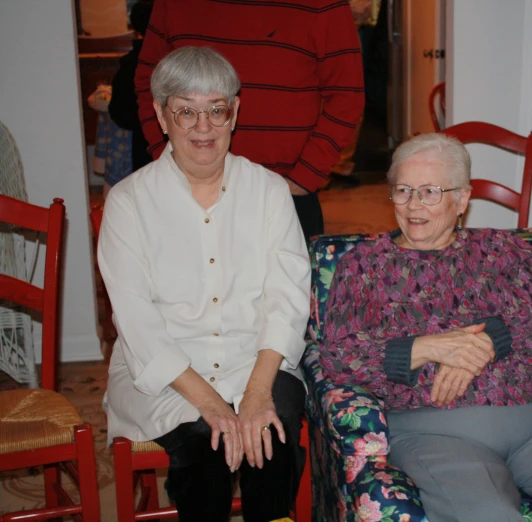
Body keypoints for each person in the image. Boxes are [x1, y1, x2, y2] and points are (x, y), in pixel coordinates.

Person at [319, 133, 532, 522]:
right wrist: (431, 346)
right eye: (403, 190)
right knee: (490, 515)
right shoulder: (363, 266)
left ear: (462, 199)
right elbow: (338, 356)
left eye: (430, 191)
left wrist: (480, 346)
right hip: (437, 434)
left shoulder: (503, 250)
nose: (414, 205)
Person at [99, 47, 311, 522]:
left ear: (234, 112)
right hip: (166, 370)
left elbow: (288, 297)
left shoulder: (269, 192)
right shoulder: (129, 202)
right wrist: (213, 405)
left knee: (272, 434)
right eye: (186, 111)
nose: (203, 127)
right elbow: (136, 320)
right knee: (205, 445)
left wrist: (256, 394)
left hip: (256, 358)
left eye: (216, 110)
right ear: (159, 114)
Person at [134, 0, 365, 240]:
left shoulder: (323, 4)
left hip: (286, 194)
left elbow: (347, 95)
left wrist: (303, 179)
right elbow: (149, 84)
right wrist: (166, 157)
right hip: (189, 191)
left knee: (287, 277)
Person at [107, 0, 154, 188]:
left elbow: (118, 112)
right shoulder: (174, 60)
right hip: (166, 143)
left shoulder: (130, 64)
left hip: (143, 141)